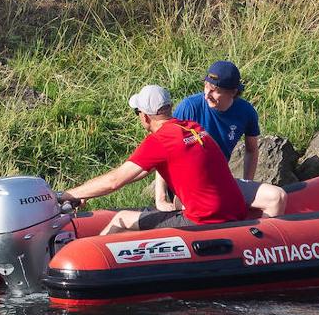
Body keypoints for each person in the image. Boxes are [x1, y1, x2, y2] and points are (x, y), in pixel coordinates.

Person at [59, 85, 247, 235]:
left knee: (121, 219)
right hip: (236, 213)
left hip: (205, 221)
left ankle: (94, 270)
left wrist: (67, 194)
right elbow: (139, 172)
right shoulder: (193, 128)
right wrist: (85, 192)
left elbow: (114, 181)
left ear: (145, 116)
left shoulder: (160, 141)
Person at [166, 60, 287, 218]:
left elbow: (251, 150)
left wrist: (247, 182)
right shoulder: (189, 107)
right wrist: (161, 197)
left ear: (233, 92)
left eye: (215, 90)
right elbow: (165, 150)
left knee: (278, 197)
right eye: (206, 87)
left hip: (220, 180)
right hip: (190, 184)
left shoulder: (246, 112)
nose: (207, 94)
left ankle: (255, 239)